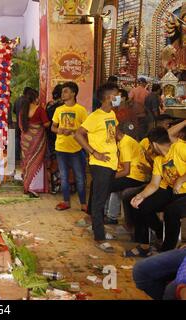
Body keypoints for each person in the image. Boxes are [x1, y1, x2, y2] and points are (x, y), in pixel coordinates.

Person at [126, 126, 186, 256]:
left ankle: (166, 252)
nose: (149, 150)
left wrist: (181, 180)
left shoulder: (179, 148)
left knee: (171, 212)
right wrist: (140, 196)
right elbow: (154, 184)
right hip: (172, 191)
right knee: (141, 205)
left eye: (149, 146)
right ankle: (145, 245)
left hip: (183, 192)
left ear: (153, 144)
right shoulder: (159, 160)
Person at [75, 82, 120, 253]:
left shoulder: (112, 114)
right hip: (100, 164)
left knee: (102, 196)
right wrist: (94, 152)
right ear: (109, 97)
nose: (119, 97)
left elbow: (113, 132)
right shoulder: (95, 116)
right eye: (117, 94)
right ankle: (99, 237)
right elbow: (78, 134)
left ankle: (97, 227)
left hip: (112, 162)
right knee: (99, 201)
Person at [51, 82, 88, 211]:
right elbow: (53, 127)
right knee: (64, 177)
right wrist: (60, 130)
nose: (62, 93)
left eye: (66, 91)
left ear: (73, 93)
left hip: (76, 149)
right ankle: (66, 201)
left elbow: (86, 129)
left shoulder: (81, 110)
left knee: (79, 177)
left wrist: (73, 131)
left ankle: (83, 204)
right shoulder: (58, 110)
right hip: (61, 148)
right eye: (62, 91)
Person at [104, 124, 149, 225]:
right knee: (110, 186)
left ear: (115, 132)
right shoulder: (120, 142)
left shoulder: (125, 143)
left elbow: (126, 171)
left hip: (135, 177)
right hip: (129, 175)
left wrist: (109, 177)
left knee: (105, 184)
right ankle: (109, 215)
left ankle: (106, 215)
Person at [20, 89, 51, 197]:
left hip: (25, 141)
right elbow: (46, 124)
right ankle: (31, 186)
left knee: (27, 161)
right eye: (37, 97)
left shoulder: (23, 110)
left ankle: (26, 184)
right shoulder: (40, 110)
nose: (38, 99)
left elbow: (21, 127)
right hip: (37, 141)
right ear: (34, 98)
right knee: (36, 161)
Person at [46, 84, 64, 194]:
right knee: (61, 161)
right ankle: (61, 183)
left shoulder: (49, 105)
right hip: (61, 136)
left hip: (50, 135)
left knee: (53, 160)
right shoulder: (61, 107)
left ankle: (53, 184)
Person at [14, 87, 33, 162]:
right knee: (25, 141)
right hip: (25, 123)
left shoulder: (17, 100)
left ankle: (16, 157)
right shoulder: (27, 101)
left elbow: (14, 111)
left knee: (17, 139)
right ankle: (25, 158)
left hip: (18, 123)